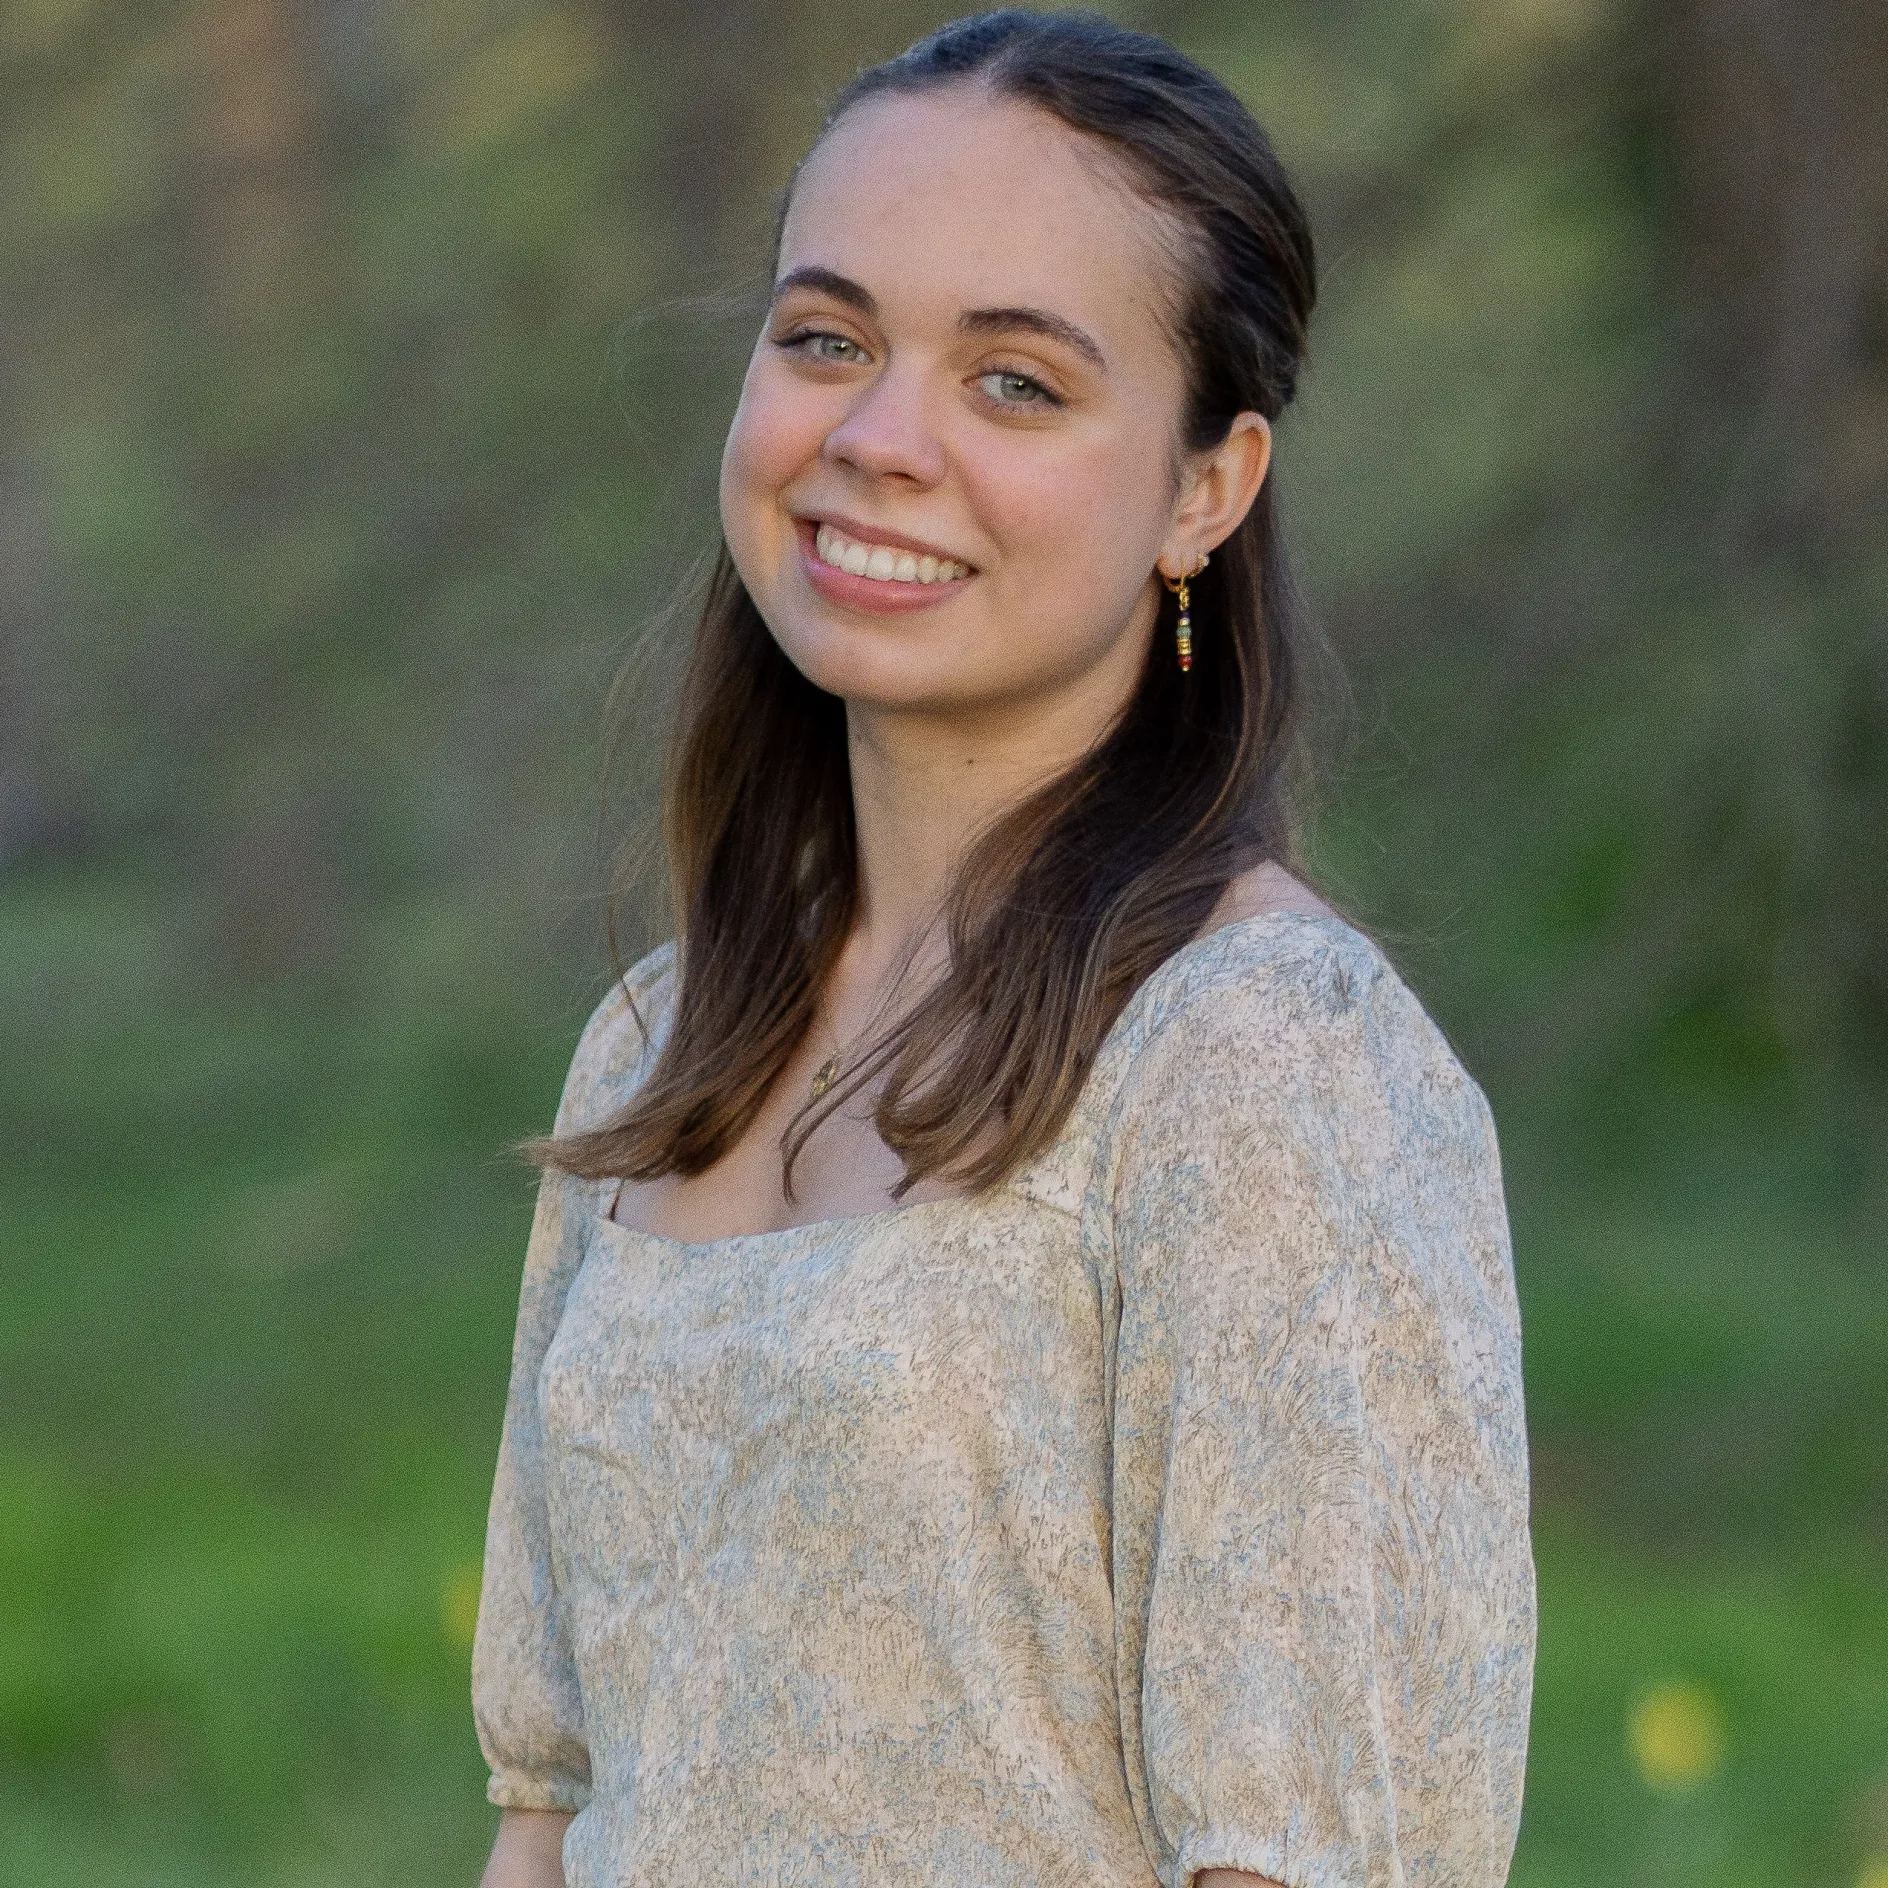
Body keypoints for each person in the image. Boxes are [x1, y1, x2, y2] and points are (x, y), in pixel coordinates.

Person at [471, 12, 1536, 1887]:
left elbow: (1304, 1853)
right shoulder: (656, 1042)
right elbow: (549, 1820)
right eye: (827, 340)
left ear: (1205, 489)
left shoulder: (1263, 1061)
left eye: (1018, 383)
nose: (878, 441)